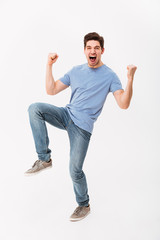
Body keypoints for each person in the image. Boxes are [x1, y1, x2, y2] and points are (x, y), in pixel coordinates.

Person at [25, 32, 137, 222]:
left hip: (82, 128)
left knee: (75, 170)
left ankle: (83, 205)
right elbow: (51, 90)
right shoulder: (76, 71)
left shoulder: (110, 76)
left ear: (102, 51)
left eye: (96, 48)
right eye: (89, 48)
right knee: (35, 109)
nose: (92, 51)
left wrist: (130, 79)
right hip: (66, 115)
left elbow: (123, 104)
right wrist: (49, 65)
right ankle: (44, 159)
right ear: (85, 50)